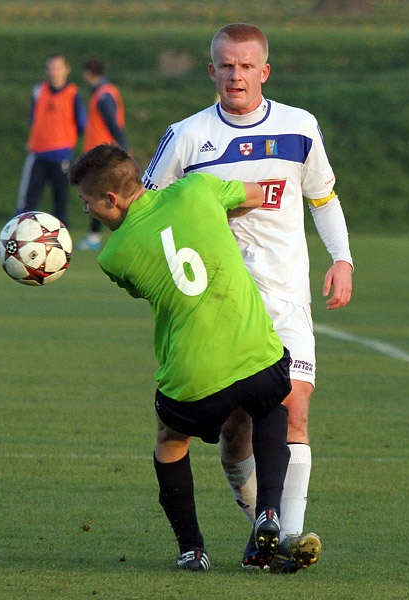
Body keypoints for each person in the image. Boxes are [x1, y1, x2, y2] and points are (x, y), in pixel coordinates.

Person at [142, 22, 353, 572]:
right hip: (217, 306)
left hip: (284, 296)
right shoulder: (185, 137)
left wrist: (342, 258)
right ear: (211, 70)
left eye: (246, 66)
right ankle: (259, 521)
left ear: (265, 71)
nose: (236, 75)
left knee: (294, 406)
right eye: (225, 65)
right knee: (234, 432)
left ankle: (286, 536)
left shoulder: (300, 127)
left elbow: (323, 198)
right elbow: (148, 211)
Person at [68, 144, 293, 572]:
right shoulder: (196, 189)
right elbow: (255, 195)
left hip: (194, 377)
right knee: (269, 403)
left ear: (112, 201)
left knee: (170, 441)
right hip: (255, 353)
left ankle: (192, 549)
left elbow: (150, 278)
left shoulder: (113, 257)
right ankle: (269, 513)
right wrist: (214, 212)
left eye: (88, 202)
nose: (87, 211)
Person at [16, 54, 86, 225]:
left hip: (61, 154)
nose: (54, 72)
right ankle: (18, 236)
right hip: (38, 154)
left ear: (66, 70)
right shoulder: (39, 91)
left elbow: (82, 123)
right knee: (27, 202)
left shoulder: (73, 93)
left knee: (60, 201)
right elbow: (34, 119)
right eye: (51, 68)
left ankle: (61, 241)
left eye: (57, 68)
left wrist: (65, 139)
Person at [78, 56, 128, 251]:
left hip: (102, 155)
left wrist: (123, 148)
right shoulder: (105, 91)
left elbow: (113, 125)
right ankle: (96, 236)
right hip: (101, 153)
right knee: (100, 196)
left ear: (88, 73)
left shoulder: (103, 95)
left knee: (99, 197)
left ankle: (95, 236)